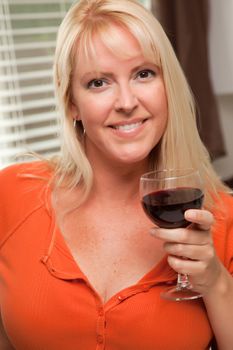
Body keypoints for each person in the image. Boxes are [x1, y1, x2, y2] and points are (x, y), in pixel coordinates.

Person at [0, 0, 233, 349]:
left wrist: (215, 282)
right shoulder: (12, 194)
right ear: (72, 103)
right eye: (98, 82)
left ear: (167, 85)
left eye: (143, 74)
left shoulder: (222, 218)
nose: (126, 101)